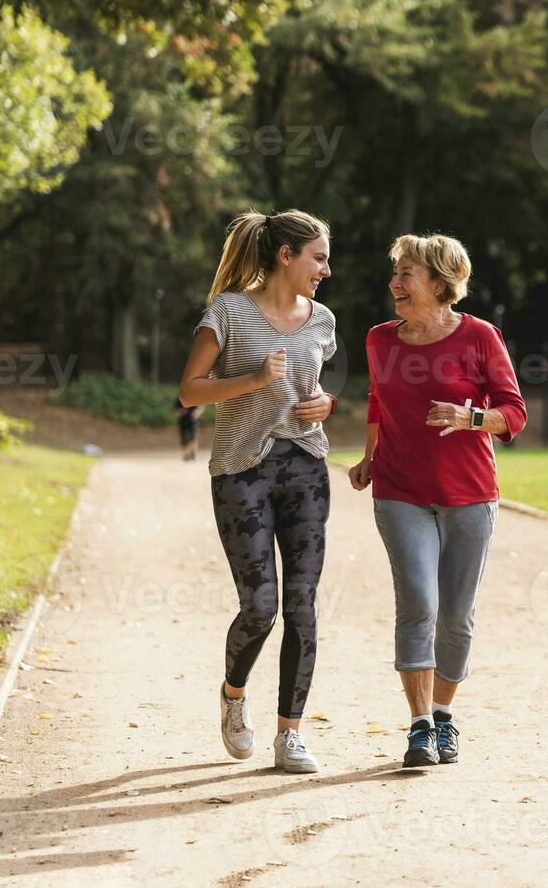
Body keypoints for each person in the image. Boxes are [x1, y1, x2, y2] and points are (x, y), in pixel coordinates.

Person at [348, 232, 526, 768]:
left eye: (407, 274)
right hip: (400, 490)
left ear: (440, 282)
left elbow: (513, 413)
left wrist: (471, 418)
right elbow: (379, 400)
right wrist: (369, 456)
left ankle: (445, 716)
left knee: (457, 616)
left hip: (470, 494)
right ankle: (420, 726)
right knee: (418, 603)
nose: (394, 283)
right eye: (395, 273)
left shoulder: (480, 337)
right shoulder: (380, 339)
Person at [178, 210, 337, 775]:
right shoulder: (228, 311)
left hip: (307, 467)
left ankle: (289, 734)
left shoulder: (322, 319)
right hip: (241, 469)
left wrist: (327, 406)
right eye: (317, 257)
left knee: (302, 604)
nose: (325, 268)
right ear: (285, 256)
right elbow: (190, 390)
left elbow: (314, 389)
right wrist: (253, 380)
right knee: (261, 606)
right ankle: (233, 695)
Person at [172, 396, 203, 461]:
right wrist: (181, 411)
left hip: (192, 421)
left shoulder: (194, 397)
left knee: (192, 438)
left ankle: (192, 453)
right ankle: (186, 454)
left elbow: (200, 408)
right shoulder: (180, 398)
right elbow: (175, 410)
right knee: (184, 438)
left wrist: (197, 413)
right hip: (183, 421)